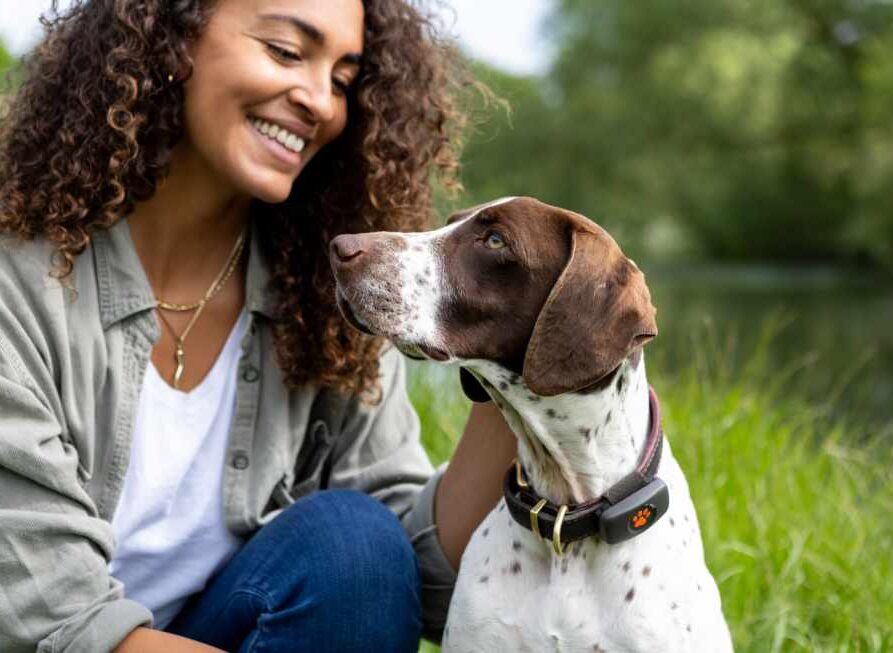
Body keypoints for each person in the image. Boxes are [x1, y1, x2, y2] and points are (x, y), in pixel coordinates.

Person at [0, 0, 517, 651]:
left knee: (356, 545)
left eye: (343, 80)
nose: (320, 103)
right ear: (170, 37)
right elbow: (50, 613)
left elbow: (414, 580)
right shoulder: (15, 285)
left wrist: (523, 369)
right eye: (285, 51)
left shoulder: (320, 298)